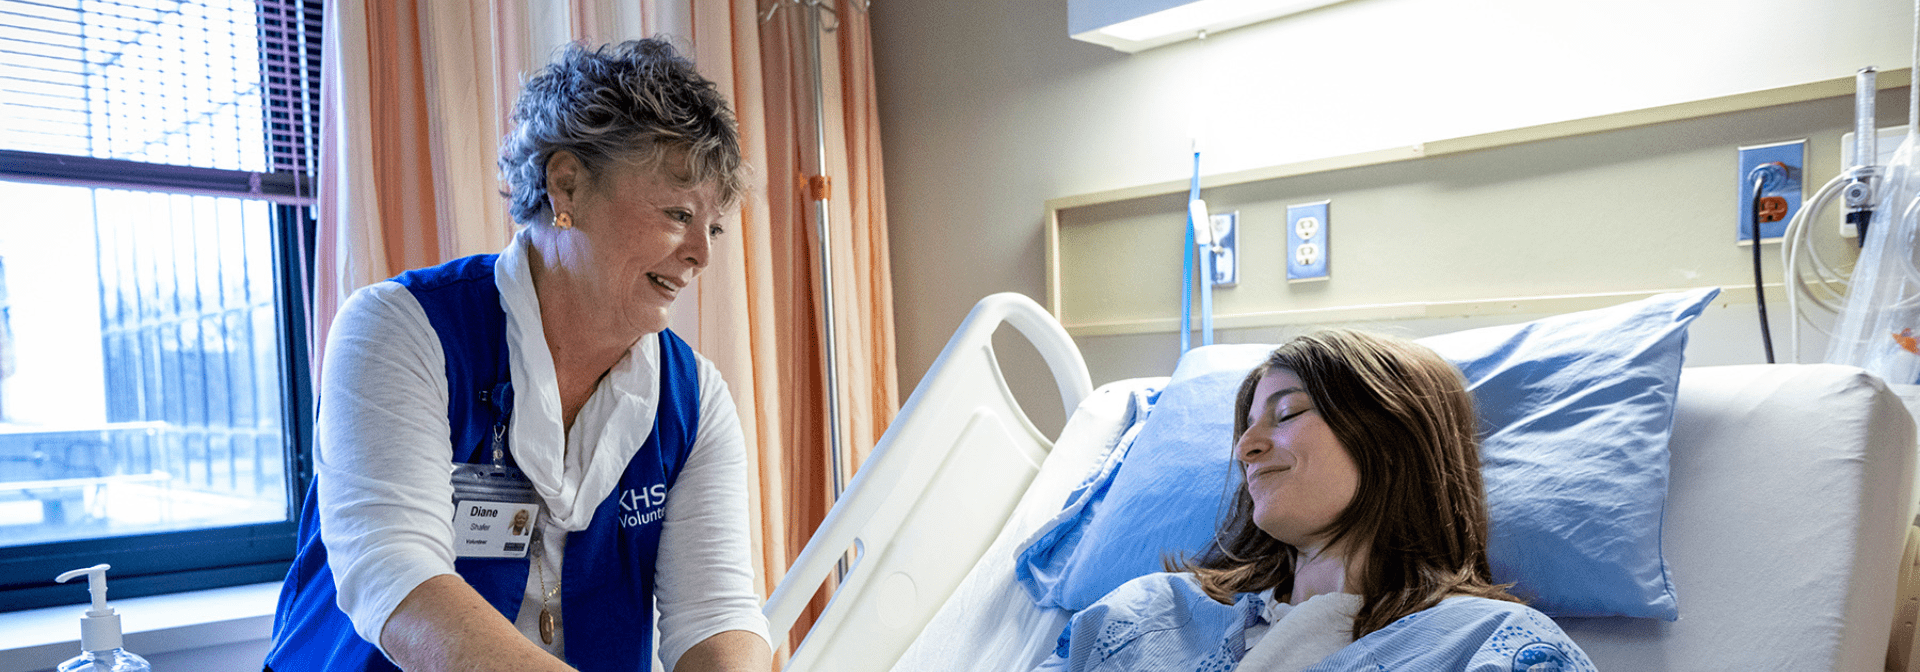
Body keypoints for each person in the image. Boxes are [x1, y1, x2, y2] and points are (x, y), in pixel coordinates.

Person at [266, 40, 771, 672]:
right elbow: (399, 577)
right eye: (677, 214)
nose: (702, 252)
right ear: (566, 185)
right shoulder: (402, 330)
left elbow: (716, 613)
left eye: (714, 227)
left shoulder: (693, 399)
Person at [1034, 330, 1595, 671]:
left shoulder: (1488, 646)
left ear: (1390, 438)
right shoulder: (1148, 616)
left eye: (1287, 414)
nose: (1246, 448)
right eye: (1248, 427)